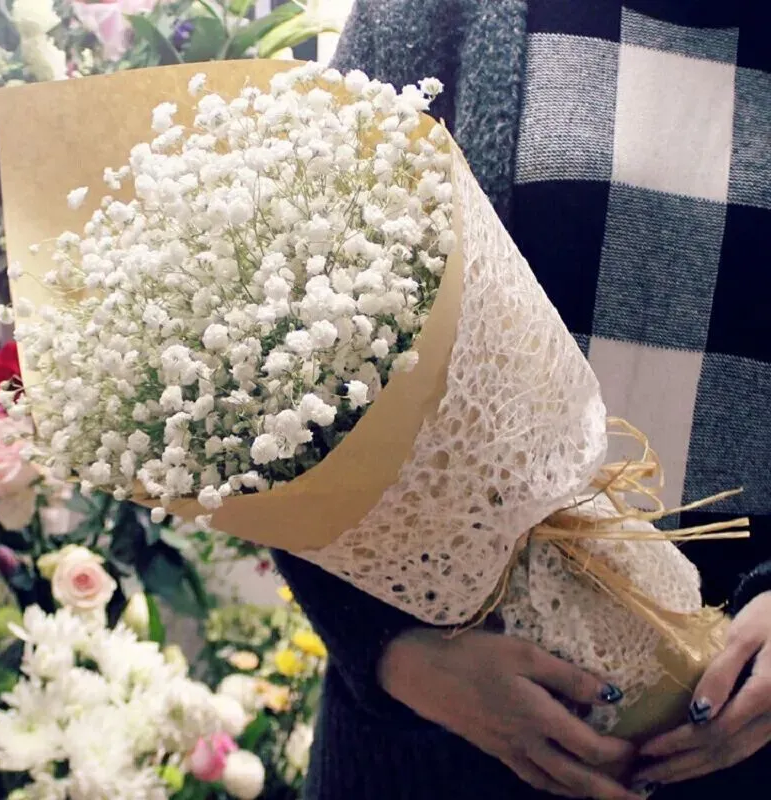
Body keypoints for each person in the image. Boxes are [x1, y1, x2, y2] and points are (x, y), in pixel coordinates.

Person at [272, 1, 771, 798]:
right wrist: (395, 651)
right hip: (443, 739)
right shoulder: (436, 14)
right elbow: (278, 352)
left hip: (742, 747)